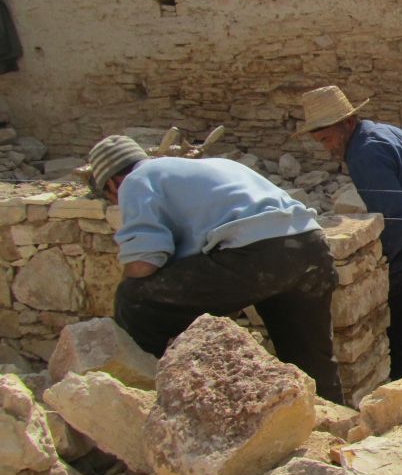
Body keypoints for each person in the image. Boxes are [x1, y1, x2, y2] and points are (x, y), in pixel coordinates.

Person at [87, 134, 345, 403]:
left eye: (111, 198)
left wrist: (129, 284)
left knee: (135, 298)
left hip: (259, 254)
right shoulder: (207, 168)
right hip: (310, 246)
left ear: (113, 183)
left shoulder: (135, 181)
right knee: (311, 359)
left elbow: (144, 263)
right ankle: (333, 429)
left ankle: (138, 399)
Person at [298, 85, 402, 380]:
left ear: (347, 123)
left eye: (326, 139)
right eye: (319, 141)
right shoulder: (382, 131)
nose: (326, 148)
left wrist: (378, 263)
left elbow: (397, 218)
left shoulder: (364, 153)